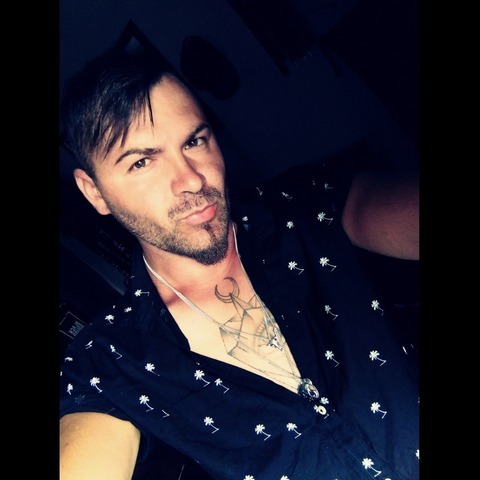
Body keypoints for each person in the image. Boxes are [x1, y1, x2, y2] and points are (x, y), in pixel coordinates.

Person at [59, 47, 419, 480]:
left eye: (194, 141)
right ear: (94, 192)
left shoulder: (305, 205)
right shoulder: (110, 360)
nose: (191, 179)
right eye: (142, 162)